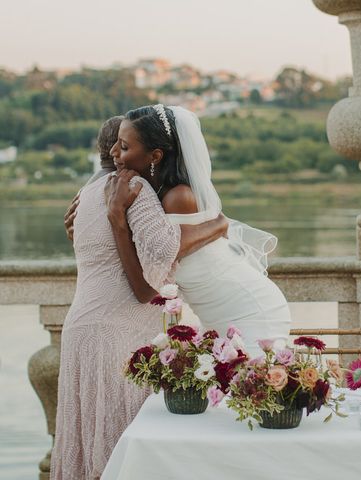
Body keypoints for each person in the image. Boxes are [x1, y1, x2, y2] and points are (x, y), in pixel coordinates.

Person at [51, 117, 229, 480]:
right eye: (121, 145)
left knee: (86, 447)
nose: (121, 153)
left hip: (83, 331)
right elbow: (157, 270)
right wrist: (218, 225)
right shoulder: (135, 189)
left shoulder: (86, 195)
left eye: (126, 145)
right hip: (119, 337)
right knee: (126, 450)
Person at [107, 104, 292, 355]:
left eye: (125, 146)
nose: (113, 152)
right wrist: (219, 224)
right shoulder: (154, 197)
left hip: (249, 311)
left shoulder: (178, 197)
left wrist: (116, 218)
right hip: (218, 318)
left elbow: (145, 289)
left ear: (155, 156)